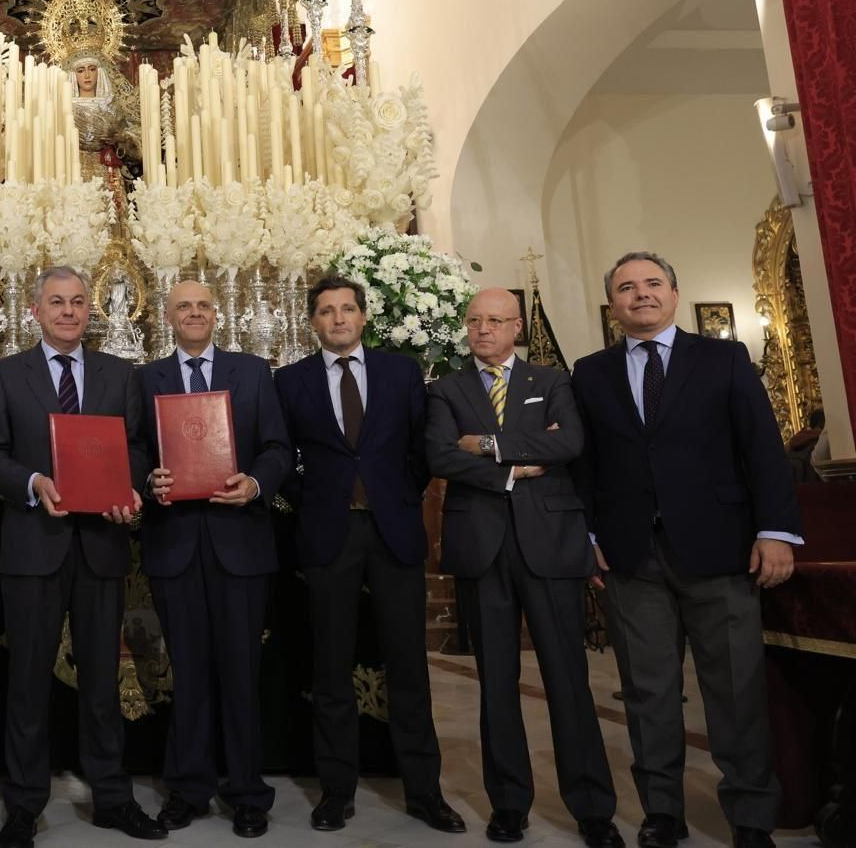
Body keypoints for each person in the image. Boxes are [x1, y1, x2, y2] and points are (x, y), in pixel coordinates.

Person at [572, 252, 802, 848]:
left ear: (674, 294)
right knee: (648, 693)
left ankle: (751, 816)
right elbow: (586, 466)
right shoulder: (590, 372)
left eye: (652, 284)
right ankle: (663, 813)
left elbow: (763, 450)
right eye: (626, 287)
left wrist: (776, 531)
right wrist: (590, 537)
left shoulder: (723, 358)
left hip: (721, 550)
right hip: (630, 556)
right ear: (613, 304)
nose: (640, 294)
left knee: (735, 689)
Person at [0, 266, 167, 848]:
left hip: (103, 545)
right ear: (36, 310)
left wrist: (127, 487)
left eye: (78, 302)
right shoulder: (5, 375)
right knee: (29, 682)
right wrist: (33, 482)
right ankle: (24, 805)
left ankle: (111, 798)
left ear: (91, 311)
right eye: (56, 302)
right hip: (34, 545)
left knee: (104, 683)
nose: (68, 311)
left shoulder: (118, 374)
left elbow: (136, 445)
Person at [426, 288, 620, 846]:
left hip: (551, 543)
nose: (482, 329)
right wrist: (513, 467)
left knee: (568, 680)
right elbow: (441, 455)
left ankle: (592, 809)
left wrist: (485, 443)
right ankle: (509, 803)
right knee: (496, 683)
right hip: (481, 548)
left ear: (517, 327)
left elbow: (571, 443)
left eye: (495, 320)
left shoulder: (552, 381)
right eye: (474, 320)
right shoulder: (445, 389)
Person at [273, 275, 464, 835]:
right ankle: (337, 791)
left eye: (348, 309)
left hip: (394, 531)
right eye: (327, 311)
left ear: (363, 317)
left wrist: (399, 497)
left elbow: (419, 449)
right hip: (328, 534)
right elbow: (281, 456)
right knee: (330, 667)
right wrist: (312, 503)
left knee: (408, 665)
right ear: (313, 322)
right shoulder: (290, 381)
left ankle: (425, 792)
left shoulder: (400, 373)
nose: (338, 319)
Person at [135, 280, 291, 839]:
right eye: (184, 307)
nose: (194, 313)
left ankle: (248, 792)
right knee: (191, 672)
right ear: (168, 316)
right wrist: (146, 480)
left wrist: (254, 482)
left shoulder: (251, 372)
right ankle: (188, 789)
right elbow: (132, 448)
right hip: (175, 544)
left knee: (240, 673)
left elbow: (278, 447)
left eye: (203, 305)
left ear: (215, 314)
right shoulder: (144, 378)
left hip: (240, 545)